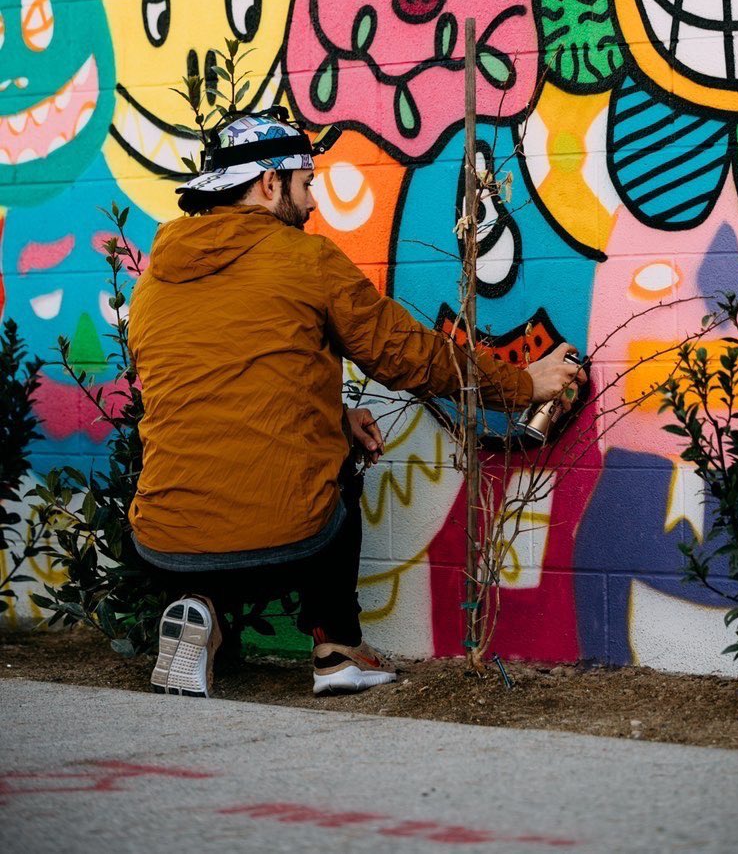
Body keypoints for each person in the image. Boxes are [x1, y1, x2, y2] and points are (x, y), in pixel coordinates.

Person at [127, 112, 586, 697]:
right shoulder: (306, 260)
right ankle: (336, 649)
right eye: (306, 181)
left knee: (221, 466)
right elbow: (410, 358)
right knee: (333, 471)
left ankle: (197, 609)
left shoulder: (154, 279)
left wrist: (334, 412)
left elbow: (216, 387)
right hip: (283, 538)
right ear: (270, 183)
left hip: (161, 543)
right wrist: (524, 384)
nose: (313, 200)